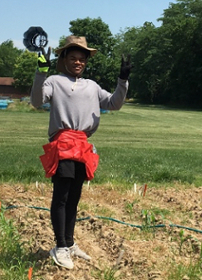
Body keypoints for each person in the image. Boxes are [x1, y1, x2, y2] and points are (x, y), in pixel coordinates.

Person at [30, 35, 131, 269]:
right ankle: (60, 246)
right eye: (73, 58)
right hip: (64, 143)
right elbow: (36, 101)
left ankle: (70, 242)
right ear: (64, 59)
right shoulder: (55, 81)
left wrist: (123, 80)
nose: (78, 62)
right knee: (62, 196)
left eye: (82, 59)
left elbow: (114, 103)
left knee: (74, 198)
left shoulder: (92, 86)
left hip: (83, 146)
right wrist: (40, 72)